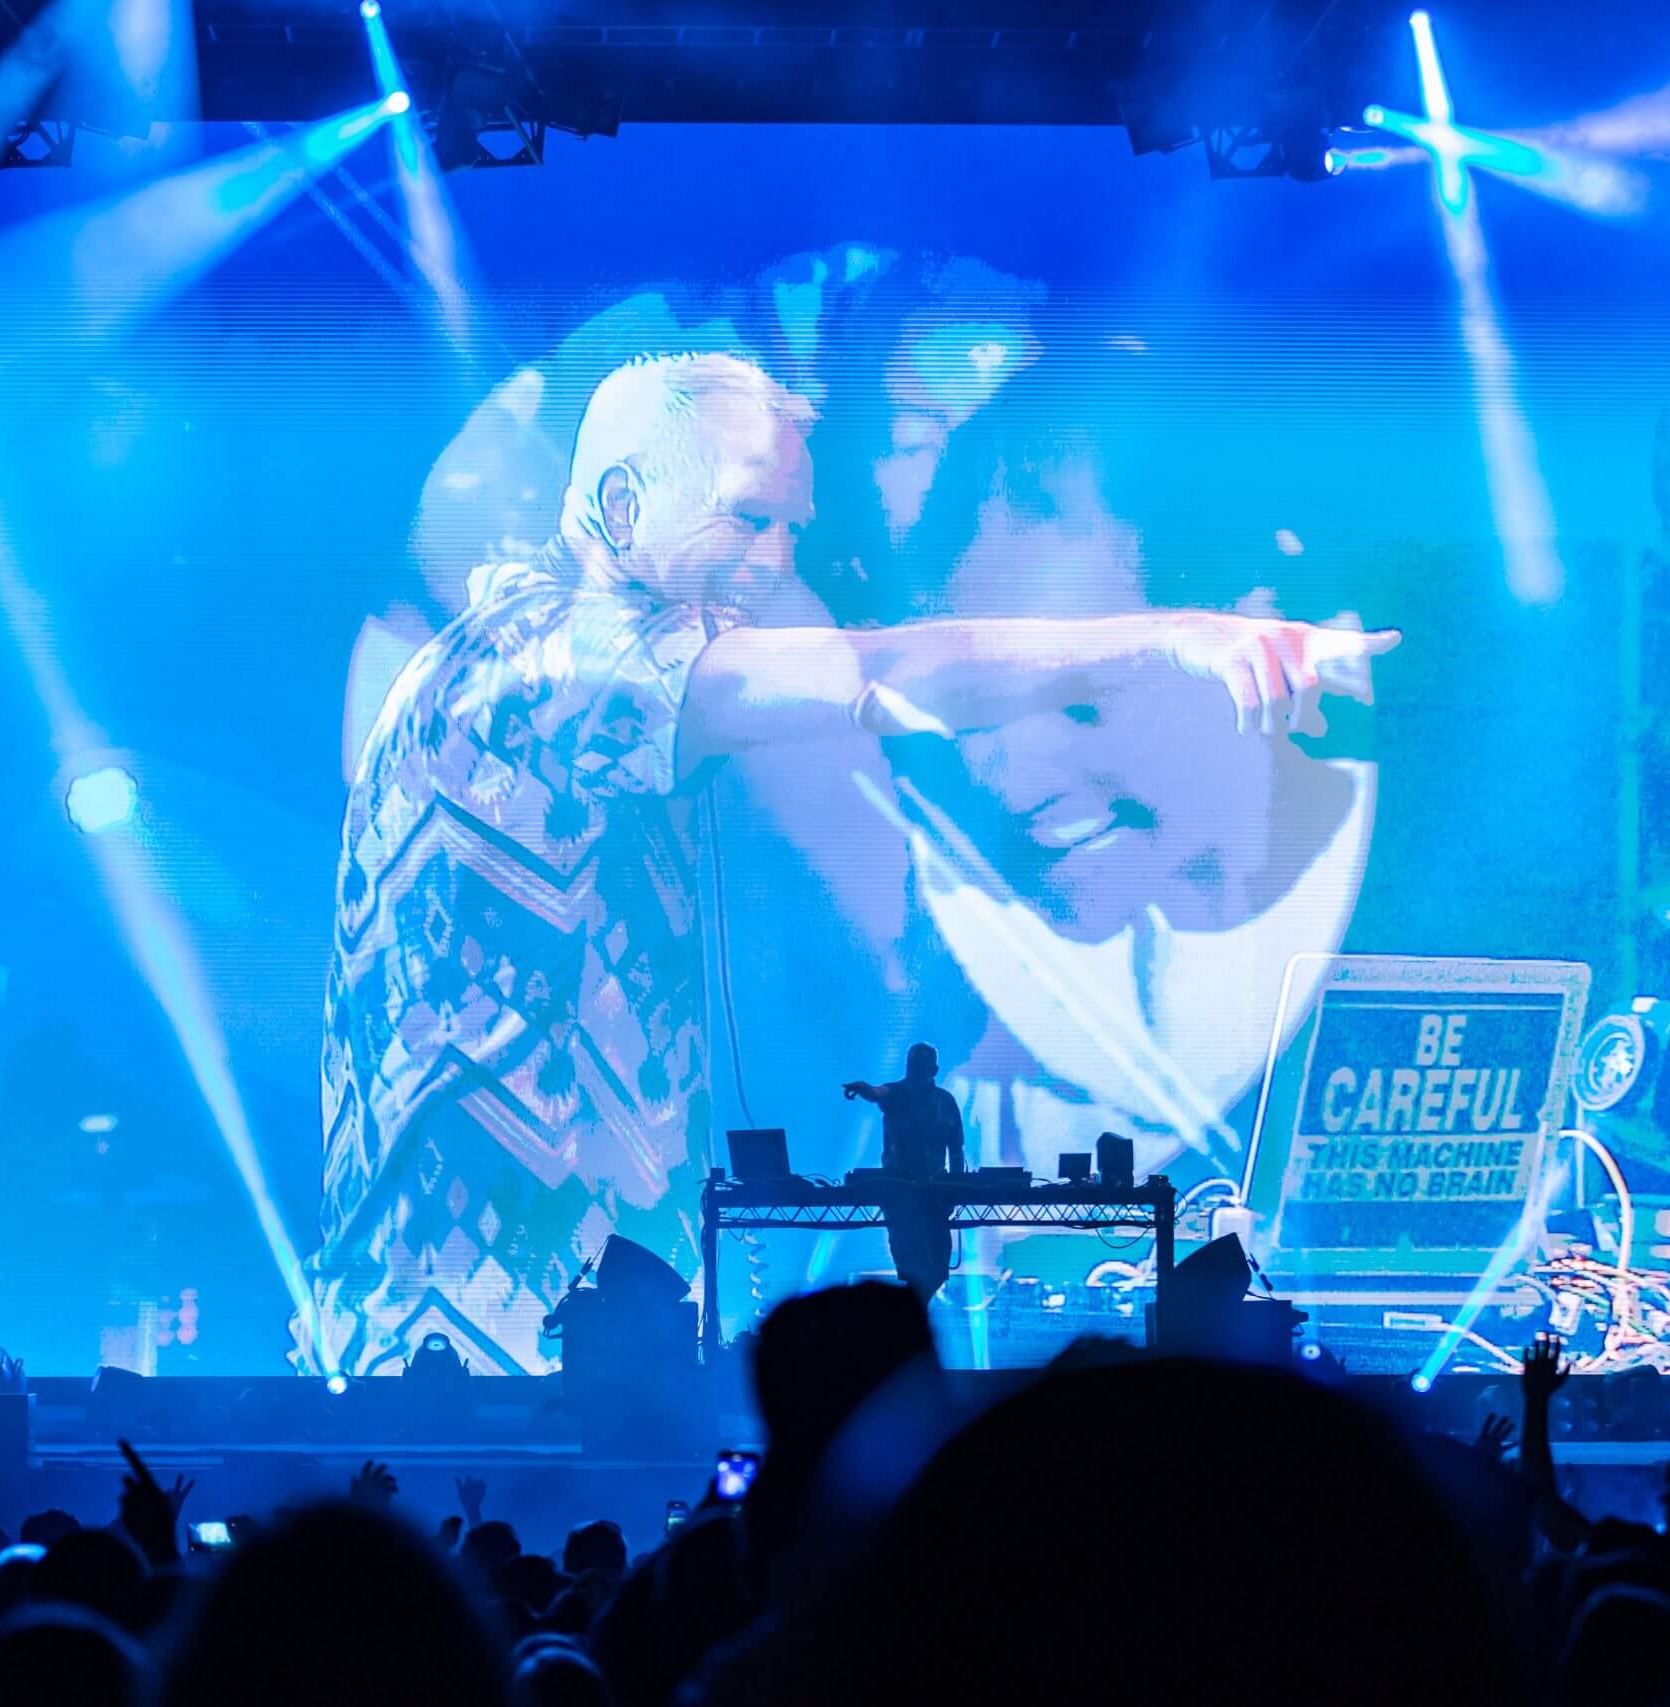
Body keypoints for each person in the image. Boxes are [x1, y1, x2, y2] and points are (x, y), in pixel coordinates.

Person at [307, 351, 1399, 1376]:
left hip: (551, 1313)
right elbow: (884, 678)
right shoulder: (558, 662)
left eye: (789, 526)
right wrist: (1173, 640)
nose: (774, 560)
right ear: (623, 508)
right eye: (746, 516)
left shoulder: (544, 652)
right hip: (473, 1329)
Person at [842, 1042, 966, 1300]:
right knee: (911, 1261)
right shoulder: (896, 1094)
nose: (915, 1070)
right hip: (900, 1193)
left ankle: (909, 1318)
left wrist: (957, 1187)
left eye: (920, 1065)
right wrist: (866, 1090)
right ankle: (909, 1321)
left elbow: (956, 1149)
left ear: (933, 1069)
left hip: (936, 1193)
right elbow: (878, 1093)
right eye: (912, 1064)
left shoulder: (945, 1101)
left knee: (937, 1266)